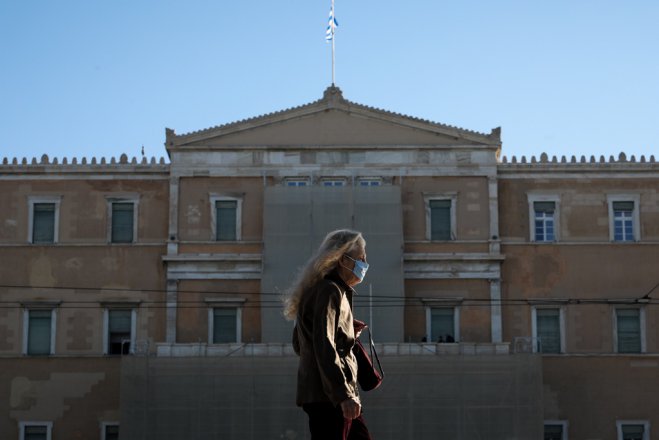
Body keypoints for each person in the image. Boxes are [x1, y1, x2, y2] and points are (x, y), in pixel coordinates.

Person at [284, 229, 373, 440]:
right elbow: (323, 345)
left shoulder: (318, 289)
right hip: (331, 397)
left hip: (326, 395)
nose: (365, 263)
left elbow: (301, 344)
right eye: (361, 258)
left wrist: (347, 332)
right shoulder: (330, 291)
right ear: (343, 260)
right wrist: (343, 395)